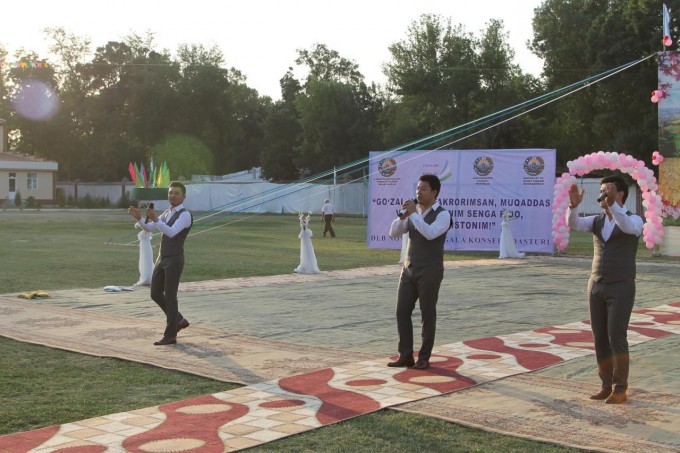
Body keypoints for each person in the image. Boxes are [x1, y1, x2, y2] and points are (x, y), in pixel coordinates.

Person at [567, 174, 643, 404]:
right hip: (596, 285)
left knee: (616, 336)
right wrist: (573, 207)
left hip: (621, 285)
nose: (602, 195)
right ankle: (605, 384)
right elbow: (574, 224)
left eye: (607, 190)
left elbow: (627, 227)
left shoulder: (634, 220)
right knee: (599, 337)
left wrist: (613, 207)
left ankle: (620, 388)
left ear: (620, 193)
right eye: (601, 191)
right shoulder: (597, 221)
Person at [387, 174, 452, 370]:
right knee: (401, 311)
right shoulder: (414, 213)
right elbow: (394, 232)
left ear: (434, 192)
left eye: (423, 189)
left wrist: (413, 214)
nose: (418, 192)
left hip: (430, 270)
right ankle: (405, 355)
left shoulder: (443, 214)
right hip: (409, 269)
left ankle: (424, 357)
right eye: (417, 188)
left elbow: (430, 233)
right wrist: (402, 216)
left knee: (427, 313)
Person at [128, 181, 193, 346]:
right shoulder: (166, 213)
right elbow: (149, 228)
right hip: (162, 258)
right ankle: (178, 319)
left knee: (170, 296)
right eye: (170, 193)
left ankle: (171, 335)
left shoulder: (185, 215)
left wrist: (156, 219)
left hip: (174, 259)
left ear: (183, 196)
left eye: (176, 193)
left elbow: (171, 233)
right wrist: (140, 218)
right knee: (155, 293)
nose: (172, 196)